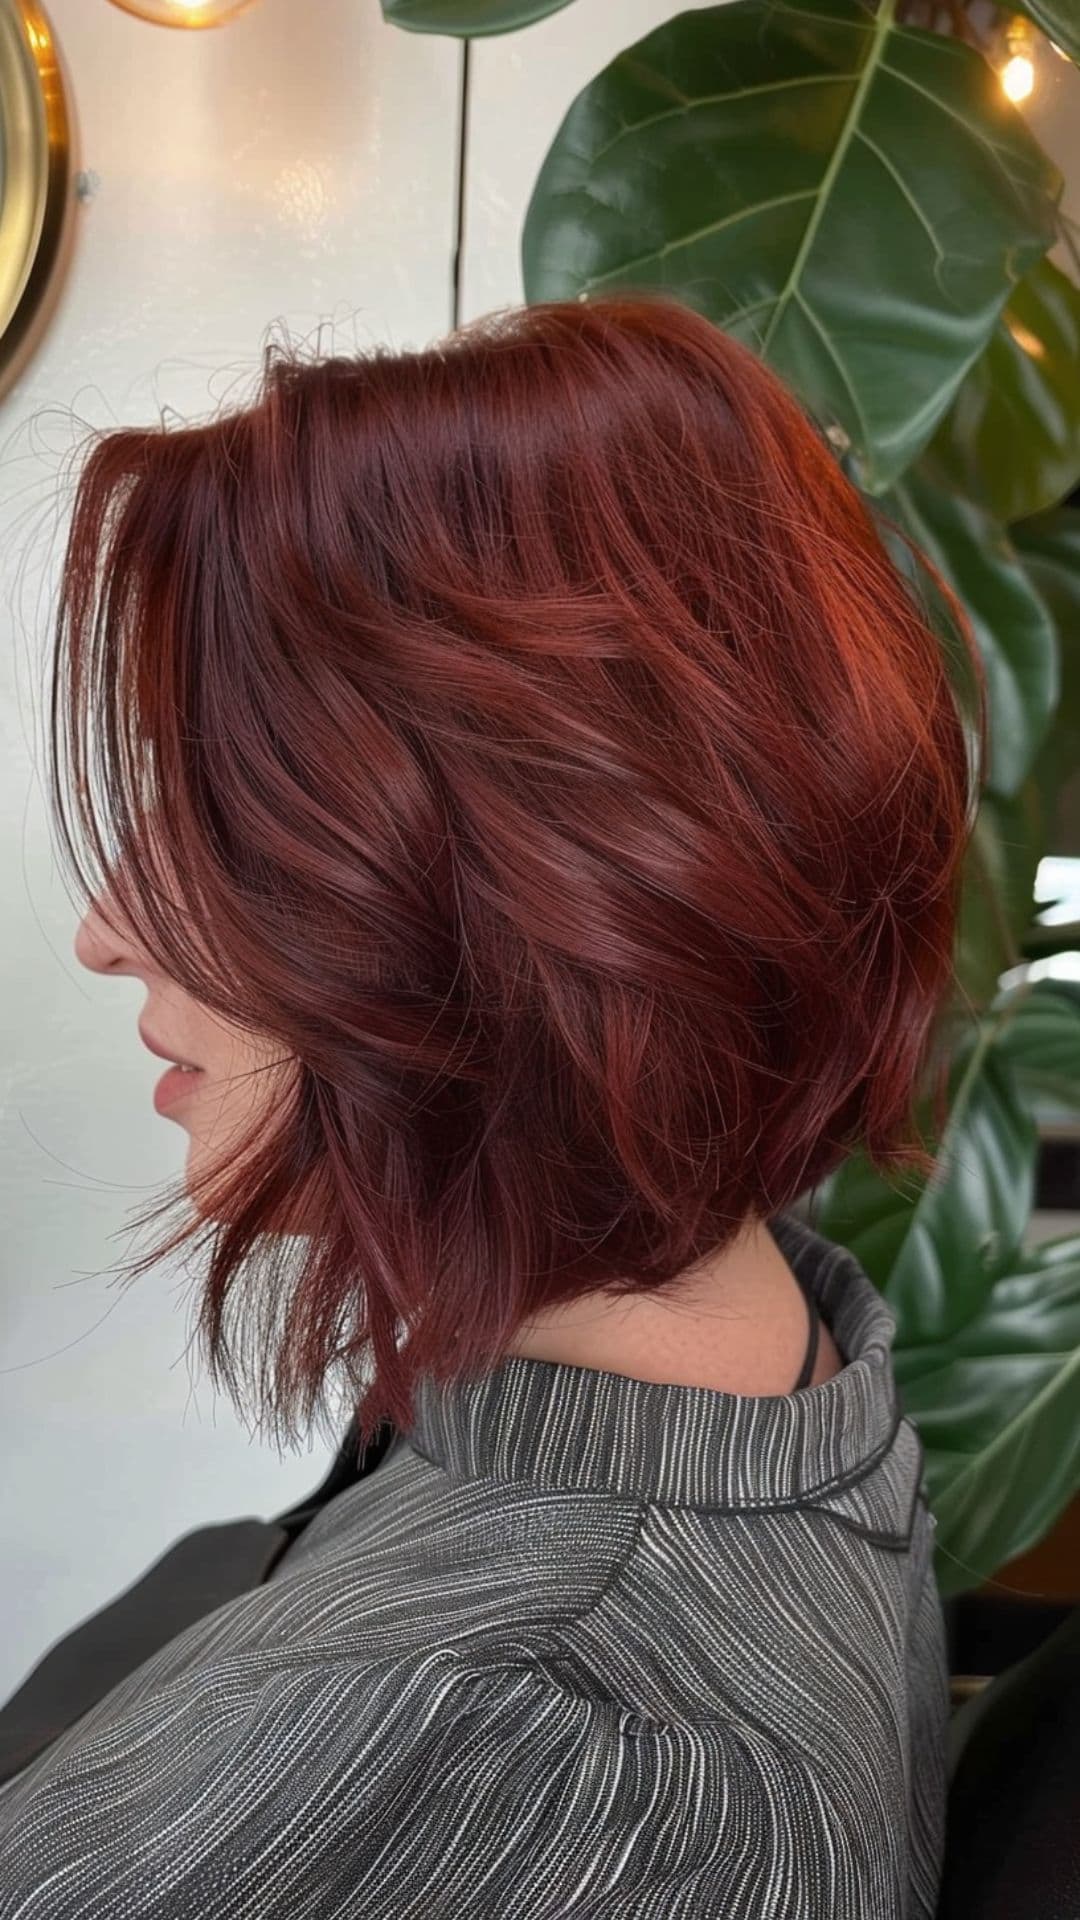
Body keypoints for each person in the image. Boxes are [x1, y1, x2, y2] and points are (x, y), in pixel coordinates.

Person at [0, 294, 982, 1917]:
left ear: (532, 895)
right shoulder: (786, 1363)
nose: (109, 929)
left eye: (220, 814)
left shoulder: (549, 1758)